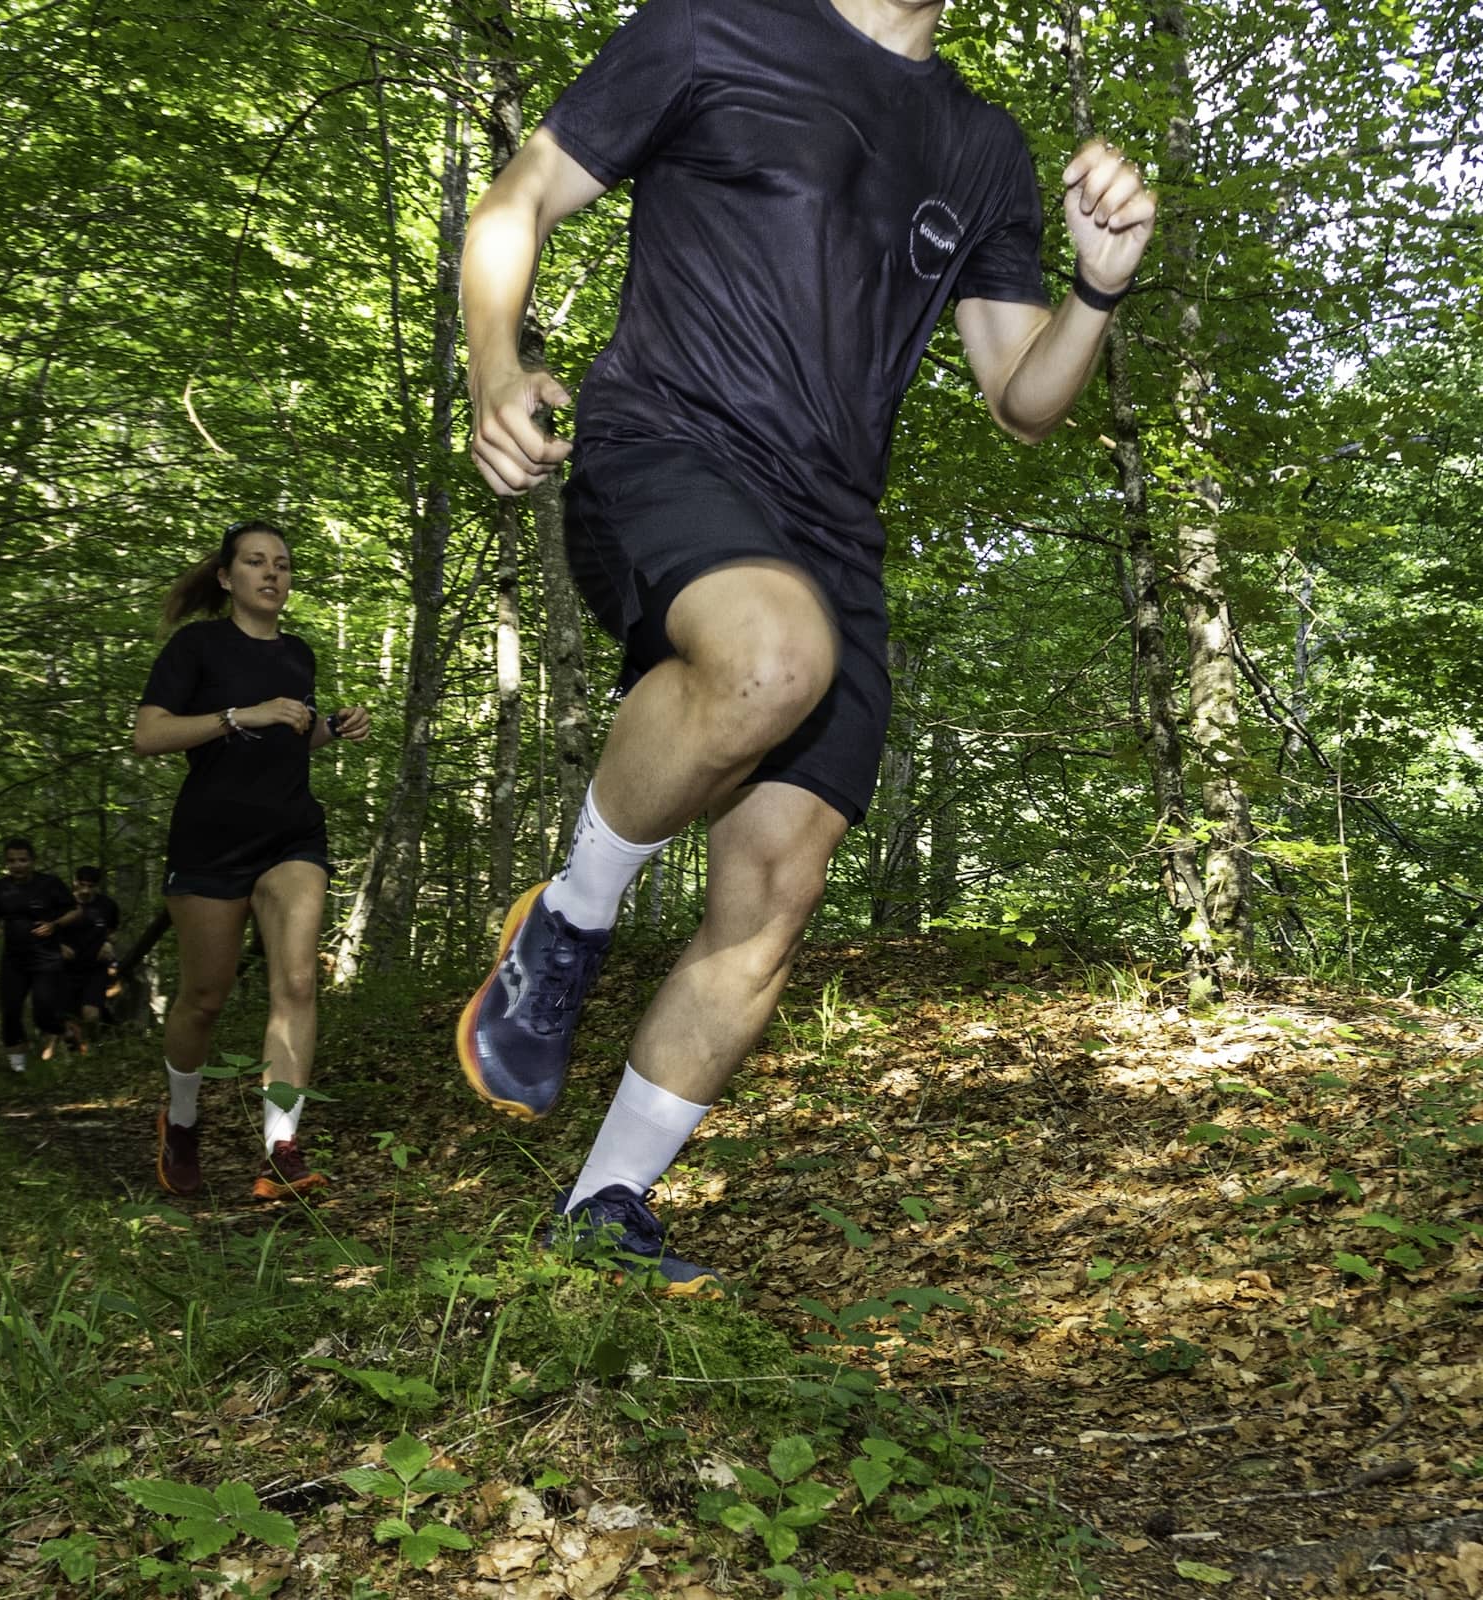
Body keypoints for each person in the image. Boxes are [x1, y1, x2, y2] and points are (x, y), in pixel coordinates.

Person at [456, 0, 1155, 1290]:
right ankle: (570, 915)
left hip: (832, 525)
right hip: (666, 441)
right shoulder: (712, 28)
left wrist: (1099, 281)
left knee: (773, 891)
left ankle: (602, 1209)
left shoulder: (982, 144)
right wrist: (497, 366)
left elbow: (1022, 398)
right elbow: (519, 203)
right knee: (776, 658)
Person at [134, 520, 372, 1201]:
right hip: (209, 843)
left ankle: (281, 1148)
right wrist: (244, 714)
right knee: (203, 1000)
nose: (272, 575)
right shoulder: (196, 645)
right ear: (226, 576)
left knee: (295, 983)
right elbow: (149, 736)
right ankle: (180, 1122)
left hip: (290, 837)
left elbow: (288, 743)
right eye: (256, 563)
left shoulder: (299, 654)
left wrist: (332, 727)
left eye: (283, 565)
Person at [0, 838, 81, 1074]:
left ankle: (67, 1030)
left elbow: (76, 910)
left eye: (22, 860)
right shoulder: (1, 887)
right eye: (11, 861)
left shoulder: (49, 884)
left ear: (32, 861)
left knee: (43, 1014)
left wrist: (54, 925)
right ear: (6, 863)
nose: (17, 865)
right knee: (10, 1010)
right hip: (13, 960)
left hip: (46, 959)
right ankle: (17, 1069)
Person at [58, 866, 124, 1048]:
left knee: (91, 1015)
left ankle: (95, 1049)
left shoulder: (107, 906)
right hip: (65, 971)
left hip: (95, 969)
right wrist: (58, 947)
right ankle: (73, 1053)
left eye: (91, 886)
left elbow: (113, 932)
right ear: (74, 882)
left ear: (98, 886)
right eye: (82, 885)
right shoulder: (61, 904)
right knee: (66, 1022)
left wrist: (109, 943)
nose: (86, 890)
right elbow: (44, 933)